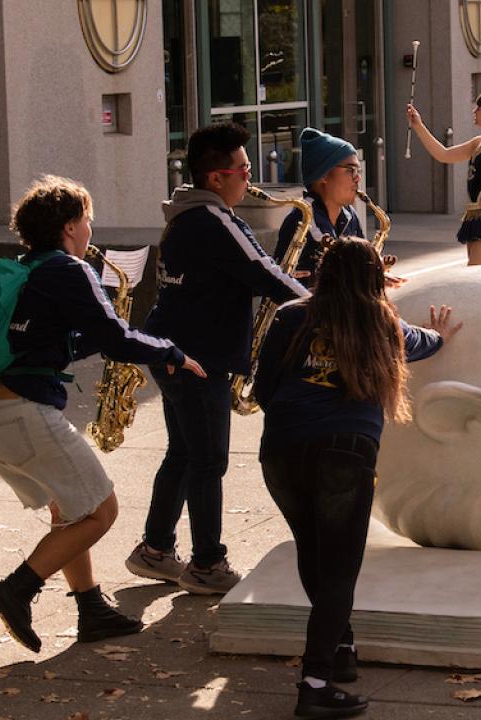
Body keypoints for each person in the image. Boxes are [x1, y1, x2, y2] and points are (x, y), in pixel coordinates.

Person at [0, 176, 207, 652]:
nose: (91, 229)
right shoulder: (67, 271)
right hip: (23, 411)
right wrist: (170, 352)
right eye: (87, 220)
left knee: (70, 509)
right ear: (70, 225)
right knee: (101, 511)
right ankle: (17, 589)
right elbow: (117, 337)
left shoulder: (24, 270)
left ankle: (90, 608)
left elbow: (44, 342)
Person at [254, 238, 461, 718]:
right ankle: (315, 682)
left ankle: (341, 649)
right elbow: (425, 343)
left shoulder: (290, 316)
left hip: (282, 449)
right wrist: (442, 334)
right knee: (341, 568)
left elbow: (263, 387)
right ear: (374, 278)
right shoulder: (383, 323)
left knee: (314, 552)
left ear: (323, 273)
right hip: (345, 452)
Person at [127, 122, 310, 595]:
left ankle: (155, 550)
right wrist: (325, 306)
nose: (251, 178)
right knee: (208, 461)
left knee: (184, 453)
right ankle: (208, 564)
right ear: (217, 177)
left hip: (174, 348)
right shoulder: (215, 220)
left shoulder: (186, 216)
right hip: (196, 358)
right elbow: (264, 272)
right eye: (245, 169)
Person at [407, 92, 481, 265]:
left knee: (478, 274)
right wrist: (419, 125)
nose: (474, 112)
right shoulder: (478, 142)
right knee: (476, 275)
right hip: (476, 215)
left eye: (478, 108)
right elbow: (444, 154)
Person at [275, 128, 365, 288]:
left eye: (358, 170)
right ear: (323, 175)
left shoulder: (349, 215)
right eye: (351, 170)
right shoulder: (301, 220)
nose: (357, 178)